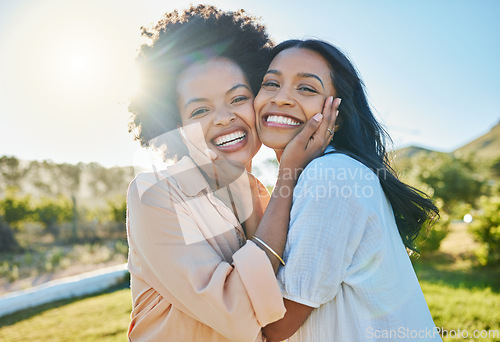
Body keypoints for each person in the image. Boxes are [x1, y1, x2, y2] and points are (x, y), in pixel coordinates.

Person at [126, 7, 338, 341]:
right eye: (200, 110)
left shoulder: (265, 200)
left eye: (238, 98)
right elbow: (238, 310)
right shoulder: (156, 194)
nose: (223, 118)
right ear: (176, 126)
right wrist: (287, 176)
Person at [253, 39, 442, 342]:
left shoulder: (332, 176)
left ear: (337, 116)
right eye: (271, 83)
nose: (282, 98)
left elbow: (276, 326)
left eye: (306, 88)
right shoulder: (328, 172)